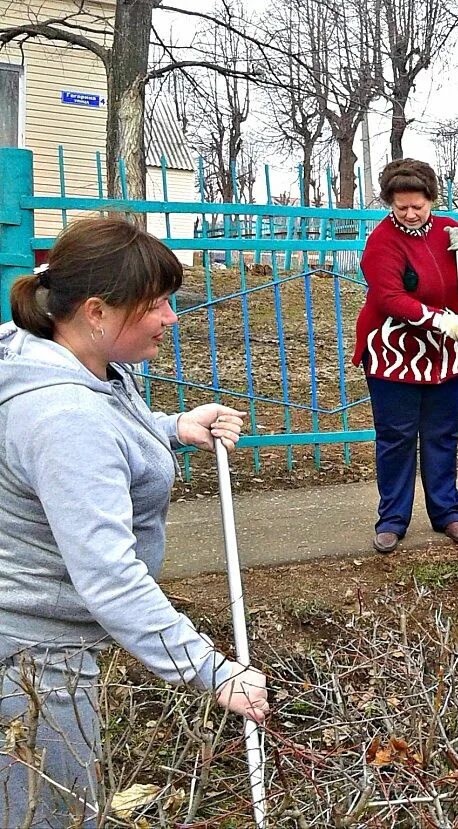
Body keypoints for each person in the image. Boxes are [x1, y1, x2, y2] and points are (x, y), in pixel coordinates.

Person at [0, 217, 270, 828]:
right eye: (157, 305)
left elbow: (100, 433)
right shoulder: (62, 415)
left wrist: (171, 427)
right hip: (32, 660)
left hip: (41, 639)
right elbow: (109, 576)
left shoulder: (61, 358)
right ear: (96, 312)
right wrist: (211, 671)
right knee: (51, 816)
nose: (171, 318)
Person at [353, 158, 458, 554]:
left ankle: (447, 512)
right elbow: (389, 297)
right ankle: (392, 519)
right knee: (396, 438)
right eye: (402, 207)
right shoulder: (382, 242)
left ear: (431, 199)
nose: (411, 214)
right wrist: (436, 319)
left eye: (418, 205)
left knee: (442, 435)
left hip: (445, 355)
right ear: (390, 204)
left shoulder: (448, 229)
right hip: (394, 354)